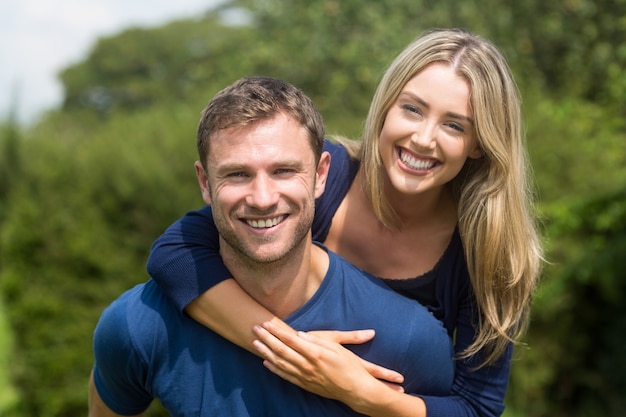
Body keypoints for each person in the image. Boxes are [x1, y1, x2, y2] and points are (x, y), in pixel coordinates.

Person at [147, 28, 544, 417]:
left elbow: (477, 407)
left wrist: (362, 393)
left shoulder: (488, 255)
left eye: (454, 125)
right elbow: (175, 253)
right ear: (386, 106)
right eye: (412, 109)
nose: (424, 138)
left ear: (479, 144)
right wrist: (292, 351)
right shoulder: (320, 176)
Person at [88, 76, 454, 417]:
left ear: (321, 175)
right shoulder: (138, 325)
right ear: (204, 182)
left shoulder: (408, 341)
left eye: (283, 171)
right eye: (237, 174)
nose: (262, 198)